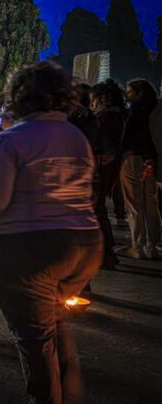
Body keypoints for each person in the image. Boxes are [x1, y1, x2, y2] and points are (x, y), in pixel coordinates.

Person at [0, 62, 101, 404]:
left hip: (32, 248)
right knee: (54, 321)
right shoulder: (75, 137)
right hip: (84, 243)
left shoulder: (12, 140)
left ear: (19, 95)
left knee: (34, 335)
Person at [118, 79, 161, 259]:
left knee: (134, 204)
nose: (128, 96)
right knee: (151, 204)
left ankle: (137, 246)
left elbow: (130, 136)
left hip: (134, 158)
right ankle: (152, 246)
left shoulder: (136, 111)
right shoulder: (157, 109)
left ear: (139, 93)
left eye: (130, 92)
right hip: (153, 160)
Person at [90, 81, 125, 268]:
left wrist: (96, 166)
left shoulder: (105, 118)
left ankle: (105, 253)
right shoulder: (118, 116)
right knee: (100, 209)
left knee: (98, 209)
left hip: (103, 170)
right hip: (108, 169)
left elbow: (108, 150)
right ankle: (106, 251)